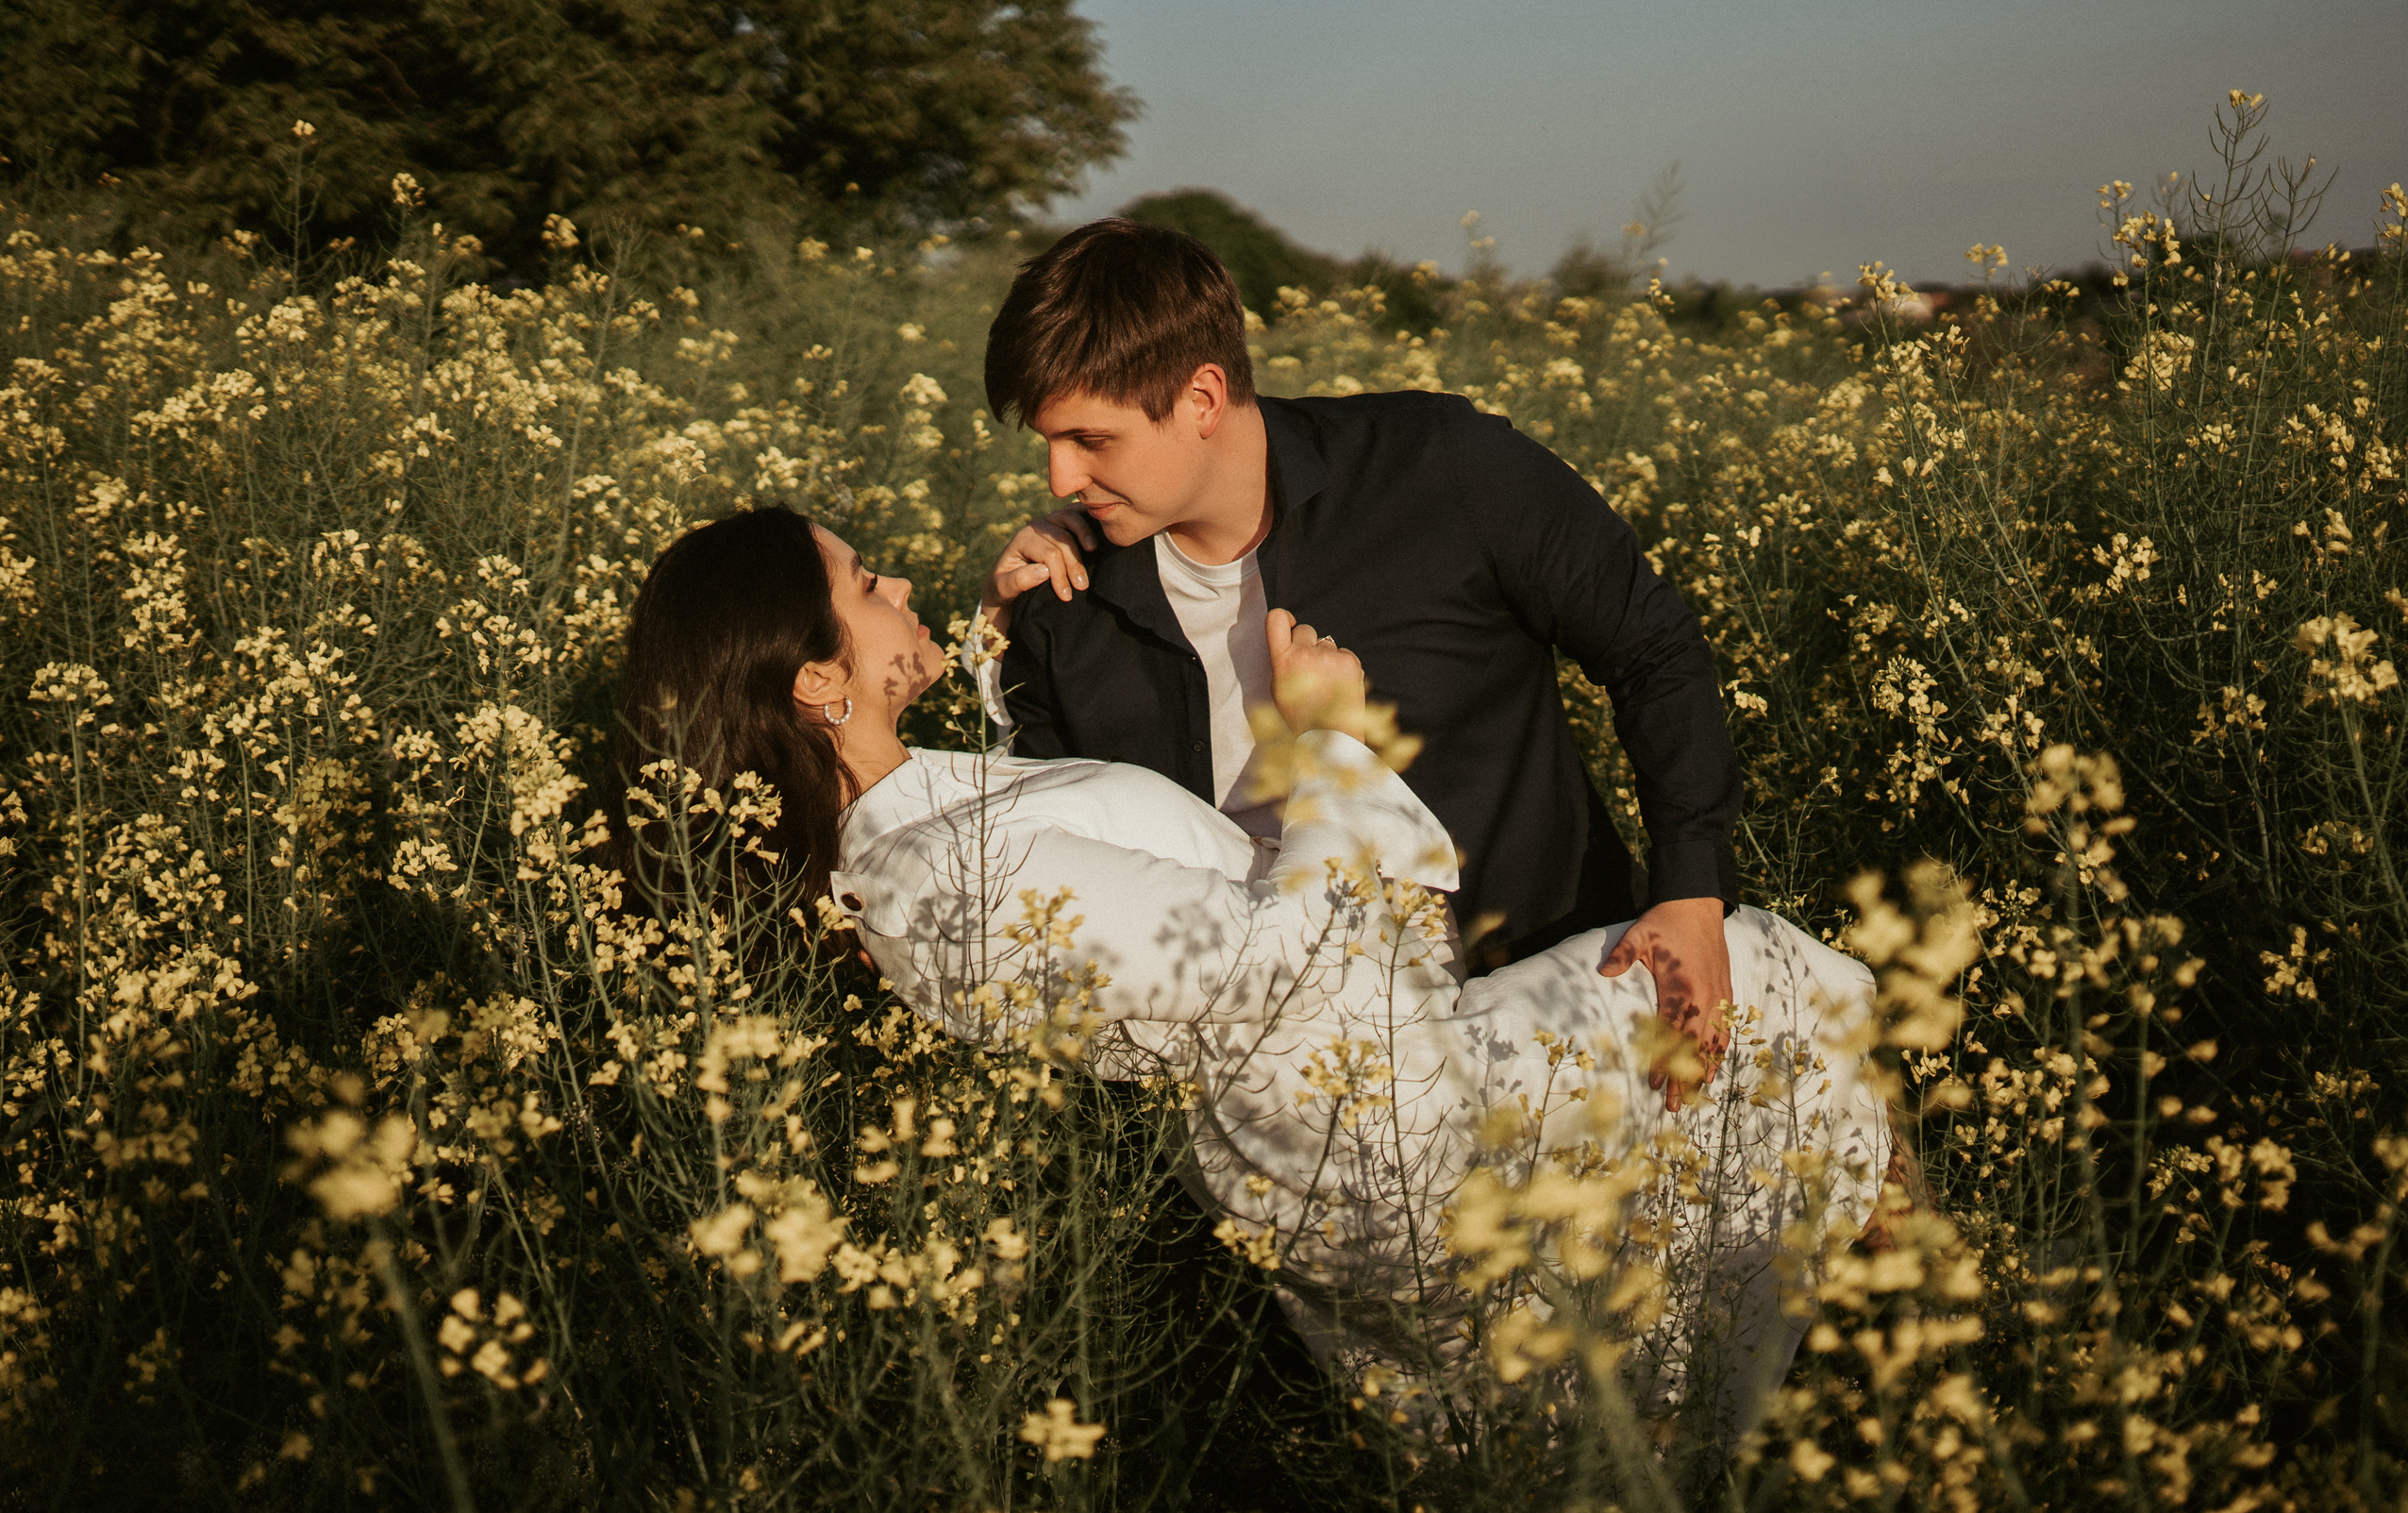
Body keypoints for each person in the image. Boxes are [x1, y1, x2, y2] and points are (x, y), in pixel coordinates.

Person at [608, 505, 1894, 1446]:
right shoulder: (936, 886)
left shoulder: (912, 831)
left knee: (1595, 1347)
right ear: (822, 679)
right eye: (866, 579)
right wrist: (1326, 741)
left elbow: (1072, 845)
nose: (898, 582)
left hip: (1331, 1111)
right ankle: (1918, 1333)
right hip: (1376, 1106)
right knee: (1772, 987)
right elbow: (1284, 963)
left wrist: (1015, 643)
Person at [973, 219, 1745, 1109]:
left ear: (1202, 397)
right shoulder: (1067, 612)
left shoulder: (1444, 470)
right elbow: (1044, 865)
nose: (1061, 476)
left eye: (1091, 440)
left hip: (1567, 1017)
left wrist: (1693, 890)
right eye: (1048, 442)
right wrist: (997, 625)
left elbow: (1652, 643)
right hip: (1273, 1109)